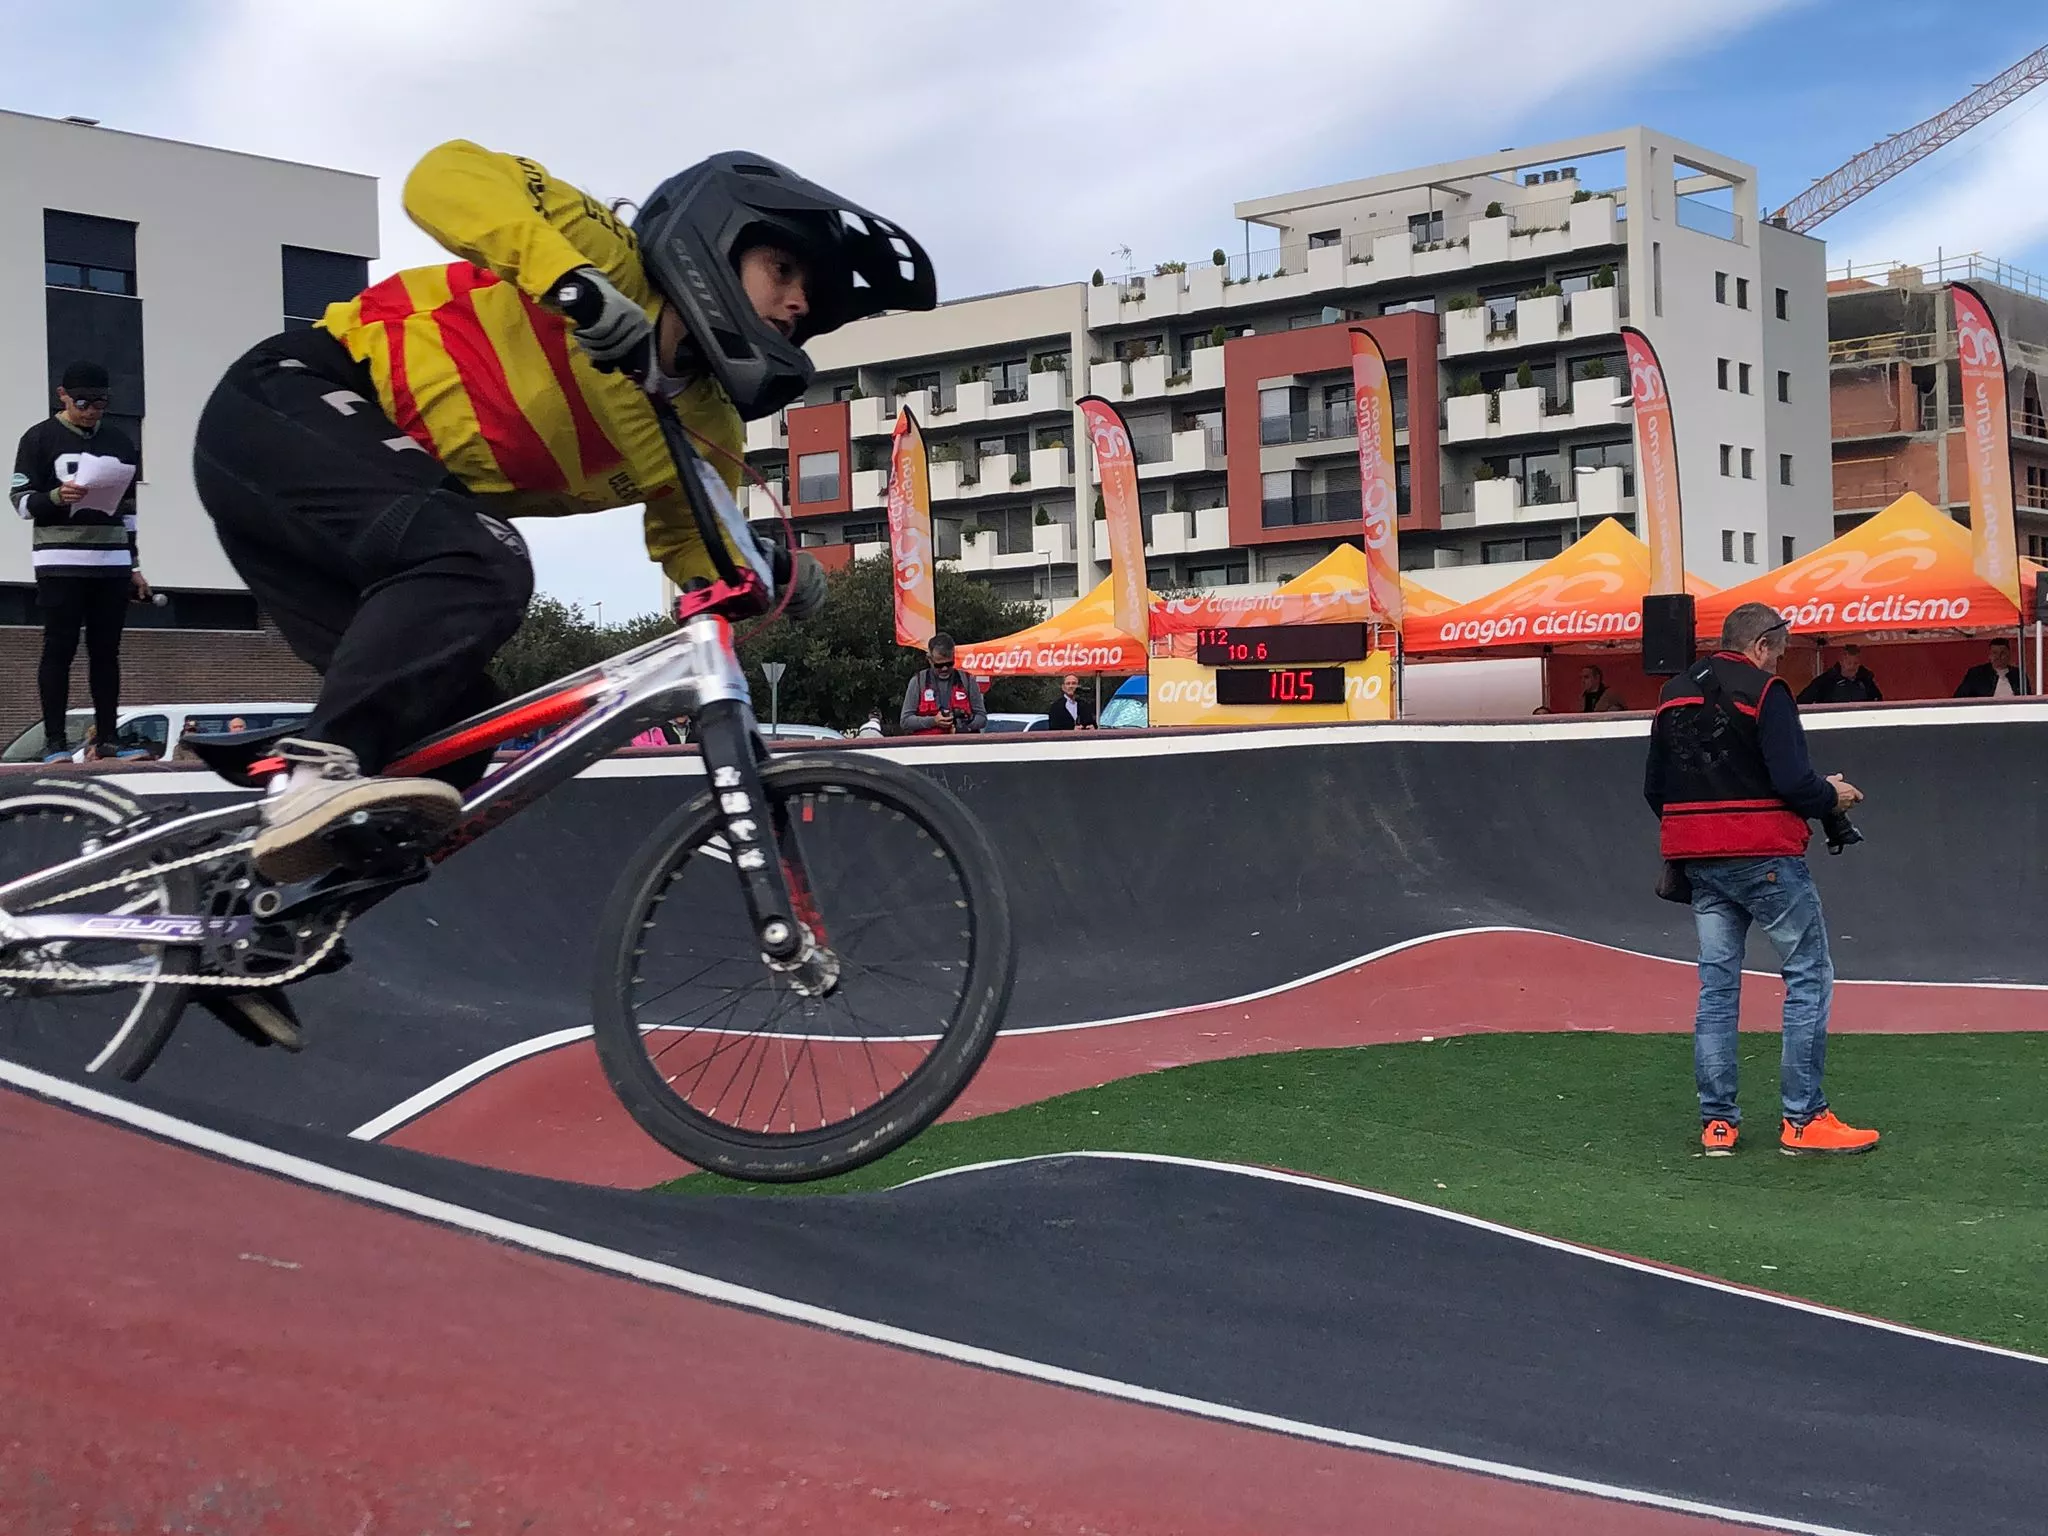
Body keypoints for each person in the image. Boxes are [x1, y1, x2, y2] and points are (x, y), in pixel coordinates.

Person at [192, 140, 932, 881]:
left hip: (358, 526)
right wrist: (571, 284)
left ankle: (272, 919)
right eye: (783, 270)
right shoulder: (608, 255)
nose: (799, 303)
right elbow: (441, 179)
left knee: (461, 728)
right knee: (482, 560)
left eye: (809, 297)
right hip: (285, 402)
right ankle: (313, 775)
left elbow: (695, 547)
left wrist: (772, 568)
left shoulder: (706, 423)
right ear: (720, 242)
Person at [1643, 601, 1880, 1158]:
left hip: (1698, 862)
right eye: (1780, 651)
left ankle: (1718, 1125)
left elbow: (1656, 787)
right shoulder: (1767, 693)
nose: (1781, 663)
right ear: (1761, 645)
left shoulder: (1672, 694)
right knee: (1807, 976)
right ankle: (1804, 1119)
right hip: (1766, 857)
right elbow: (1795, 783)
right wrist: (1833, 796)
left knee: (1718, 988)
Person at [10, 361, 152, 761]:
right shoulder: (38, 438)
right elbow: (20, 502)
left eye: (101, 403)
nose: (92, 410)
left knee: (107, 651)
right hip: (59, 558)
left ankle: (108, 740)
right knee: (60, 647)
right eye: (83, 402)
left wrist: (135, 563)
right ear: (63, 396)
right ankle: (54, 743)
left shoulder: (120, 441)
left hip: (111, 561)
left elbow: (128, 510)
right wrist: (56, 497)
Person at [899, 634, 986, 735]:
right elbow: (905, 721)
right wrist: (933, 721)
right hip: (928, 748)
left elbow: (982, 718)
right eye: (939, 665)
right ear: (929, 659)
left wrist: (964, 728)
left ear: (954, 656)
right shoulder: (918, 682)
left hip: (962, 746)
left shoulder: (968, 680)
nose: (944, 668)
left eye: (949, 664)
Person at [1797, 644, 1882, 706]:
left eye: (1856, 663)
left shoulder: (1866, 680)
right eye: (1849, 663)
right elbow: (1802, 701)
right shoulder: (1825, 681)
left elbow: (1878, 701)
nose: (1852, 667)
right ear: (1841, 662)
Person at [1954, 639, 2026, 699]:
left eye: (2003, 653)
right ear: (1989, 655)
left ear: (2009, 655)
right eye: (1995, 653)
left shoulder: (2018, 675)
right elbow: (1959, 698)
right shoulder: (1976, 674)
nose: (1998, 656)